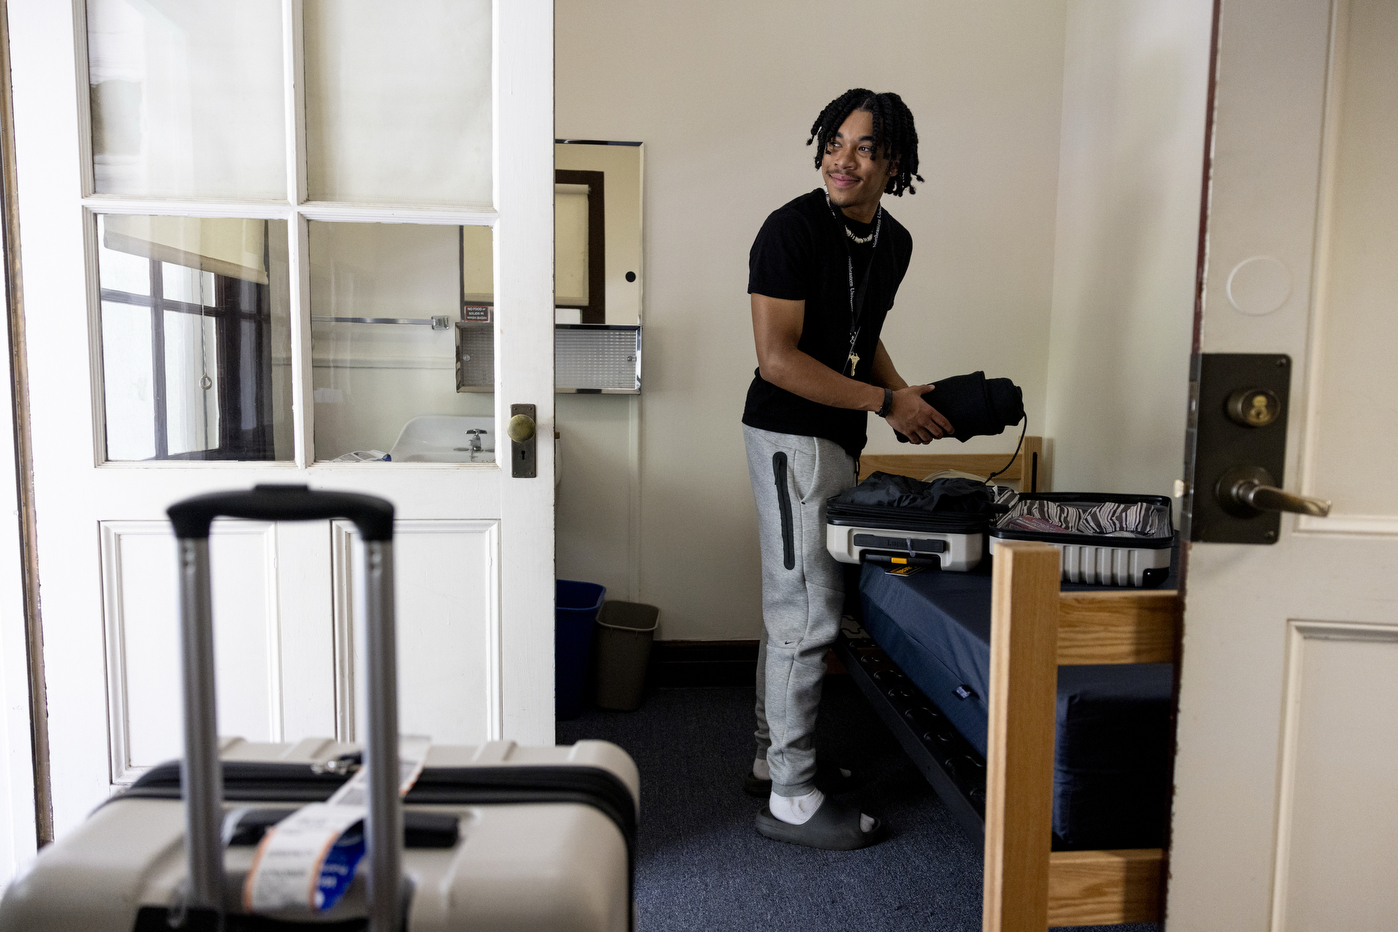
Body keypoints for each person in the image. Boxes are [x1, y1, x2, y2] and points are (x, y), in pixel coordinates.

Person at [742, 88, 952, 850]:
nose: (843, 158)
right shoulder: (790, 231)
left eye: (865, 147)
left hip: (837, 435)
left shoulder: (892, 242)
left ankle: (775, 760)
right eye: (835, 141)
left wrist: (901, 396)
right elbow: (777, 359)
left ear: (894, 162)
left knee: (793, 604)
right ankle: (792, 797)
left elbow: (863, 337)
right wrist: (883, 402)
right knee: (806, 611)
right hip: (789, 435)